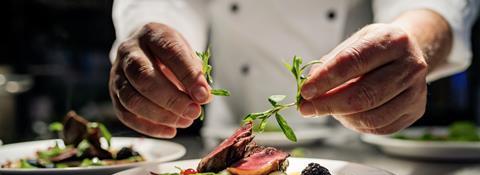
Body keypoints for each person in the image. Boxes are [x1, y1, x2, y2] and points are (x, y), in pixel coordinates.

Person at [109, 0, 479, 138]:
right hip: (226, 135)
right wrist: (154, 48)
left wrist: (411, 37)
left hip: (353, 143)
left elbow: (435, 6)